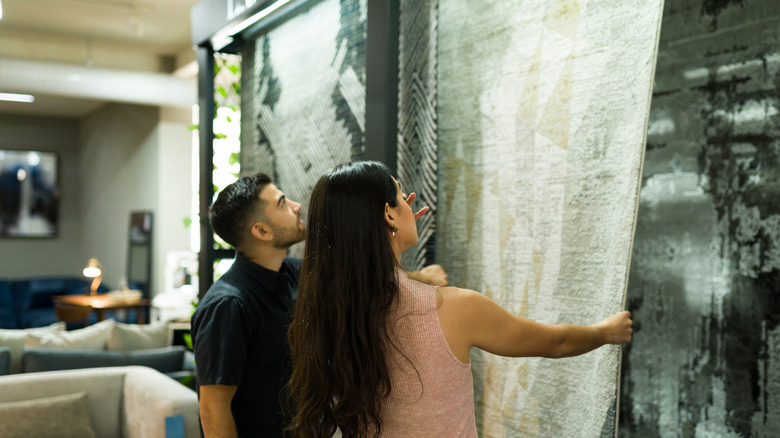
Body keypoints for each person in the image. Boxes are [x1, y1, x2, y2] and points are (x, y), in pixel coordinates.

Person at [287, 161, 634, 437]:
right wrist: (606, 331)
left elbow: (376, 279)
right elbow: (556, 342)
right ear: (389, 214)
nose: (410, 202)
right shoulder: (452, 309)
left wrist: (393, 232)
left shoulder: (328, 310)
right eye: (399, 195)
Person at [191, 172, 448, 438]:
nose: (296, 205)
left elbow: (357, 284)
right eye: (282, 203)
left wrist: (394, 234)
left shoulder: (290, 273)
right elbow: (212, 408)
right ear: (262, 231)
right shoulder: (228, 305)